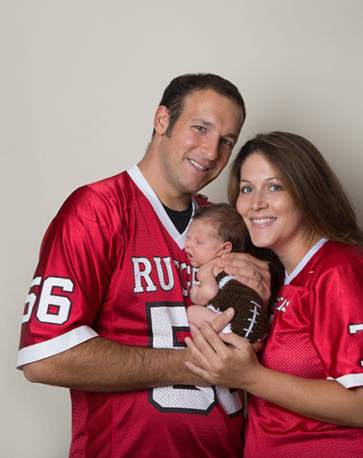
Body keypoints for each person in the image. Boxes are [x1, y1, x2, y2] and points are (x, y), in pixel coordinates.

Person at [16, 73, 273, 457]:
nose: (210, 150)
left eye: (226, 141)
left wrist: (263, 301)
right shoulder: (97, 211)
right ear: (162, 121)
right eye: (200, 128)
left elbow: (258, 350)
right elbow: (46, 356)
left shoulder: (225, 225)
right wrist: (192, 363)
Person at [184, 131, 363, 457]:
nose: (256, 203)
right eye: (247, 189)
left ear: (308, 193)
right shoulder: (274, 277)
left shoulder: (343, 271)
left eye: (274, 187)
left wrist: (251, 378)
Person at [185, 203, 269, 343]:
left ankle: (222, 335)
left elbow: (208, 294)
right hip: (255, 325)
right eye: (188, 237)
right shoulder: (241, 266)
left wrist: (195, 293)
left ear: (224, 248)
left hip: (233, 324)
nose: (188, 244)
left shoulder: (210, 268)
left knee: (190, 313)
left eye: (199, 241)